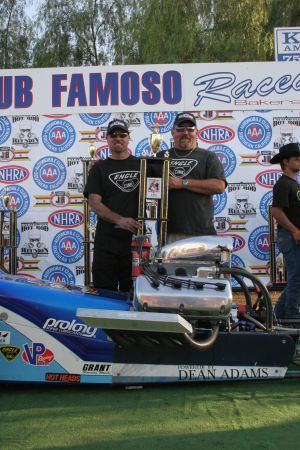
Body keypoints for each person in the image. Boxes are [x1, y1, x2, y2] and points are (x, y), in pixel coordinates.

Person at [83, 119, 141, 292]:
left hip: (134, 241)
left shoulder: (142, 165)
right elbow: (94, 203)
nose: (118, 138)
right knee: (103, 293)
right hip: (106, 240)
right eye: (113, 135)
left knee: (133, 294)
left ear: (128, 138)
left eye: (122, 134)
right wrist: (120, 220)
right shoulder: (99, 169)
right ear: (107, 139)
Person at [157, 112, 226, 244]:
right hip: (170, 231)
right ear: (172, 132)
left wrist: (182, 183)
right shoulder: (160, 156)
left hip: (202, 231)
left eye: (190, 128)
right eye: (180, 128)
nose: (185, 132)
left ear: (197, 132)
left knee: (204, 266)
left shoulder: (208, 157)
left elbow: (219, 186)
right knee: (169, 266)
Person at [270, 142, 300, 319]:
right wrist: (295, 232)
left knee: (296, 280)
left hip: (292, 236)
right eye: (296, 159)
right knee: (297, 279)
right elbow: (276, 212)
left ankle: (278, 316)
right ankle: (293, 320)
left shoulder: (294, 184)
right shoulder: (283, 184)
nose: (299, 161)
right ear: (286, 161)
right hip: (290, 237)